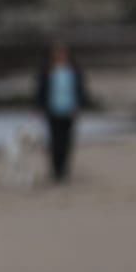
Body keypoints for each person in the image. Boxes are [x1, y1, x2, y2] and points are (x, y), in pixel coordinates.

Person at [32, 41, 93, 183]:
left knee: (67, 141)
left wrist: (80, 105)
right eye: (57, 52)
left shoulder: (74, 71)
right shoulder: (47, 71)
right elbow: (40, 91)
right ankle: (55, 170)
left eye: (62, 52)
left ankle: (64, 170)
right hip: (52, 110)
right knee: (54, 141)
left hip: (69, 110)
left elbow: (80, 91)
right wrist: (38, 107)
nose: (60, 55)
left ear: (67, 54)